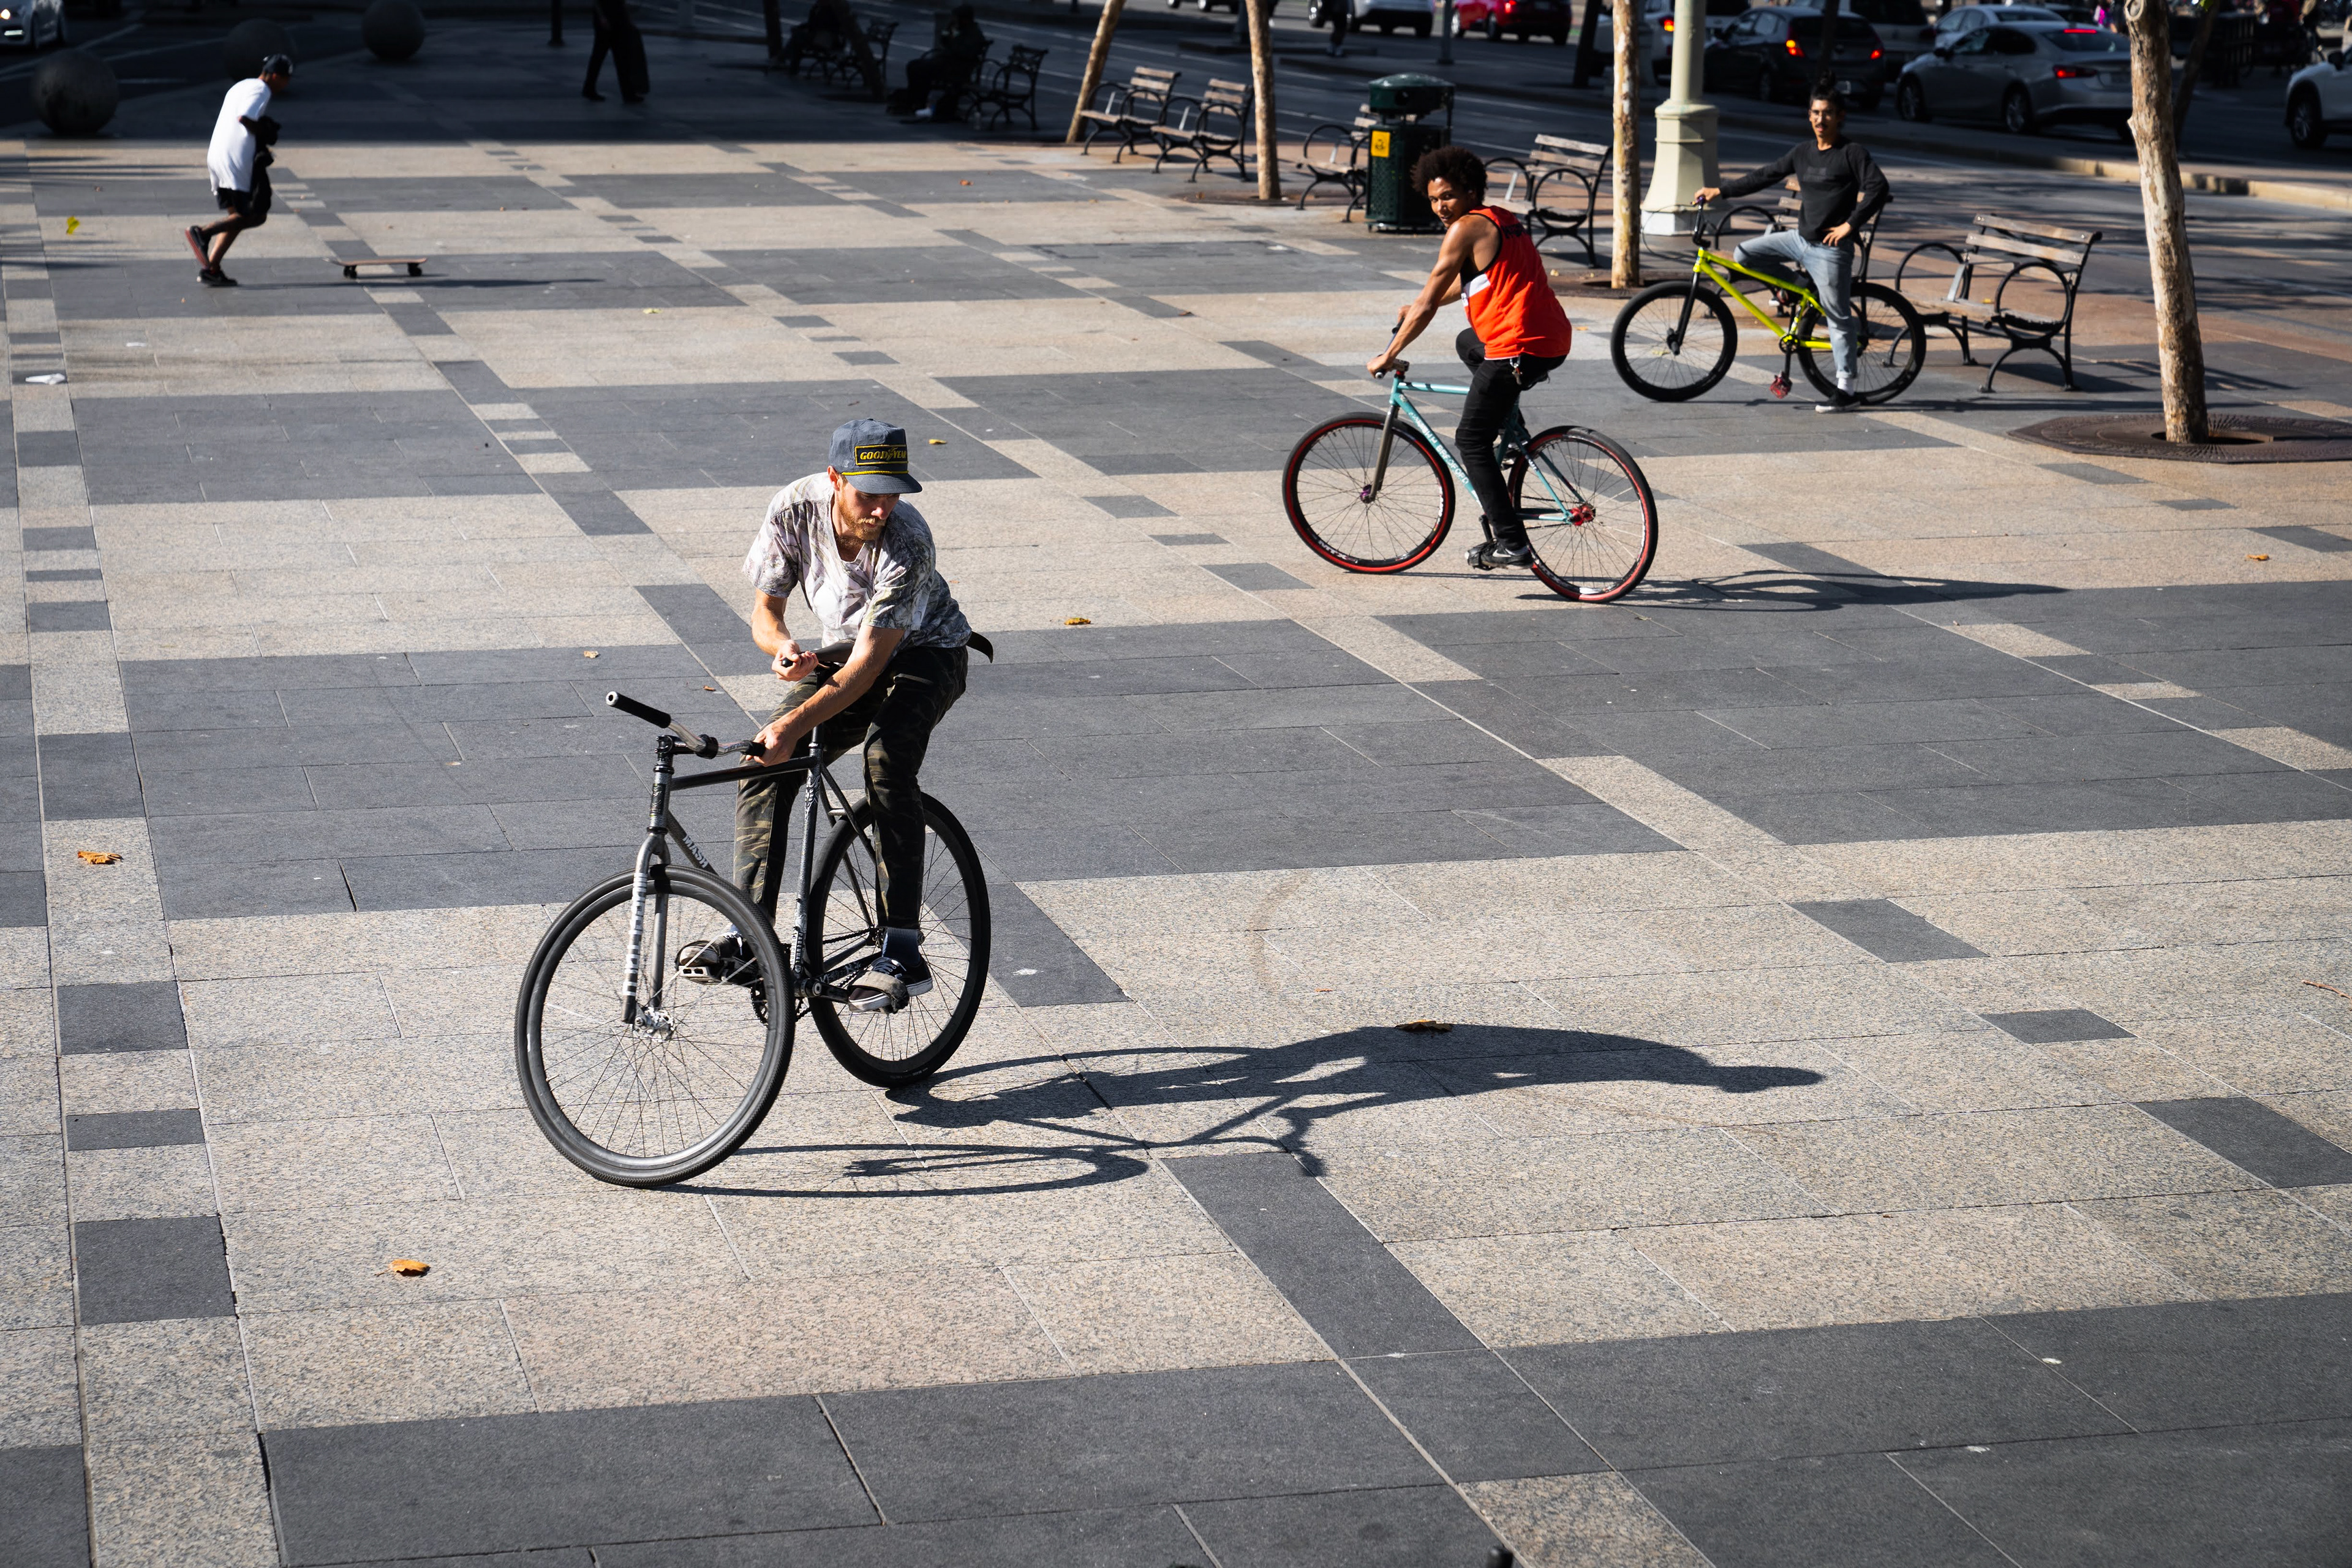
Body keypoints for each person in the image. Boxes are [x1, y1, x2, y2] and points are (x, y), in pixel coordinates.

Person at [690, 420, 975, 1013]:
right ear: (834, 479)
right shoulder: (793, 510)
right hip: (847, 652)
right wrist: (783, 649)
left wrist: (791, 727)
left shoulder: (909, 541)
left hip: (928, 653)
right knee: (764, 763)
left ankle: (903, 948)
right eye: (868, 494)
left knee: (886, 759)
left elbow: (870, 666)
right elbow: (765, 614)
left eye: (892, 494)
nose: (881, 509)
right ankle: (749, 934)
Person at [1366, 145, 1575, 571]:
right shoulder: (1503, 219)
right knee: (1468, 341)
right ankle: (1513, 431)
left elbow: (1429, 302)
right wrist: (1415, 306)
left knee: (1470, 441)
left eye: (1448, 196)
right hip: (1552, 338)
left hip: (1517, 347)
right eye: (1433, 199)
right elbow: (1470, 282)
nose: (1440, 207)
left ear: (1471, 191)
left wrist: (1390, 353)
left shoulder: (1464, 229)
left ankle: (1512, 544)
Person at [1696, 91, 1890, 413]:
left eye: (1827, 113)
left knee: (1838, 317)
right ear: (1809, 116)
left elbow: (1879, 187)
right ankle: (1796, 288)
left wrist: (1850, 226)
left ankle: (1846, 390)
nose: (1820, 119)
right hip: (1799, 241)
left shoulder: (1852, 153)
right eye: (1815, 113)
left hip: (1831, 249)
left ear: (1840, 116)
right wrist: (1720, 190)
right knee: (1744, 255)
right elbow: (1765, 175)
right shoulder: (1803, 152)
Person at [184, 55, 291, 289]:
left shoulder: (241, 85)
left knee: (236, 217)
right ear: (276, 76)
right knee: (256, 214)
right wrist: (263, 131)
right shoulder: (261, 89)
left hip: (217, 155)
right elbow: (246, 117)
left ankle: (212, 269)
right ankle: (202, 233)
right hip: (236, 159)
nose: (286, 85)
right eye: (286, 79)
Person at [887, 4, 987, 119]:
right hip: (947, 62)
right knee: (913, 65)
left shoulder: (973, 34)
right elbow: (944, 41)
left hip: (957, 68)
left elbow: (962, 52)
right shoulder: (959, 29)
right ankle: (914, 99)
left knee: (922, 70)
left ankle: (919, 101)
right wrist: (949, 29)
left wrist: (953, 42)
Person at [582, 0, 648, 103]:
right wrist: (603, 17)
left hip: (613, 16)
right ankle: (627, 93)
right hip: (611, 16)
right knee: (614, 56)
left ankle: (589, 88)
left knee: (604, 56)